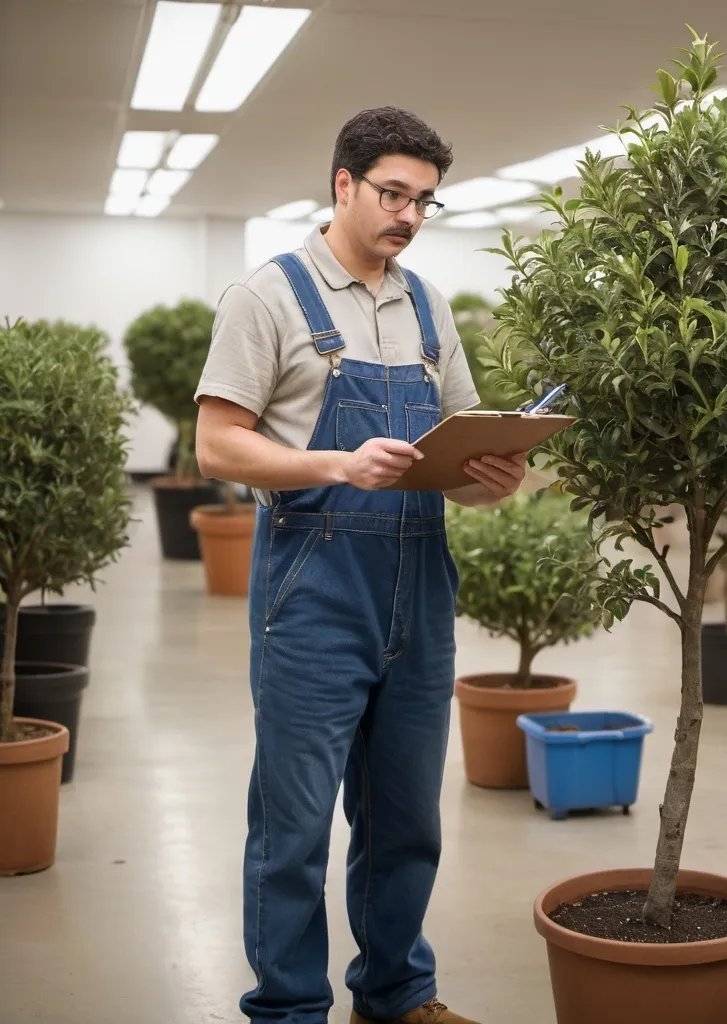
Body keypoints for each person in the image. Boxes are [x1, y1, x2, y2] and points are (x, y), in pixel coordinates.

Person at [194, 106, 527, 1024]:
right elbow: (218, 446)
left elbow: (455, 458)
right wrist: (335, 462)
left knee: (406, 821)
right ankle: (290, 1008)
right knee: (293, 827)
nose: (410, 216)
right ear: (342, 185)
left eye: (426, 201)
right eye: (394, 194)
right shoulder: (267, 297)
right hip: (313, 593)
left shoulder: (427, 305)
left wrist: (493, 478)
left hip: (419, 594)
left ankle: (395, 995)